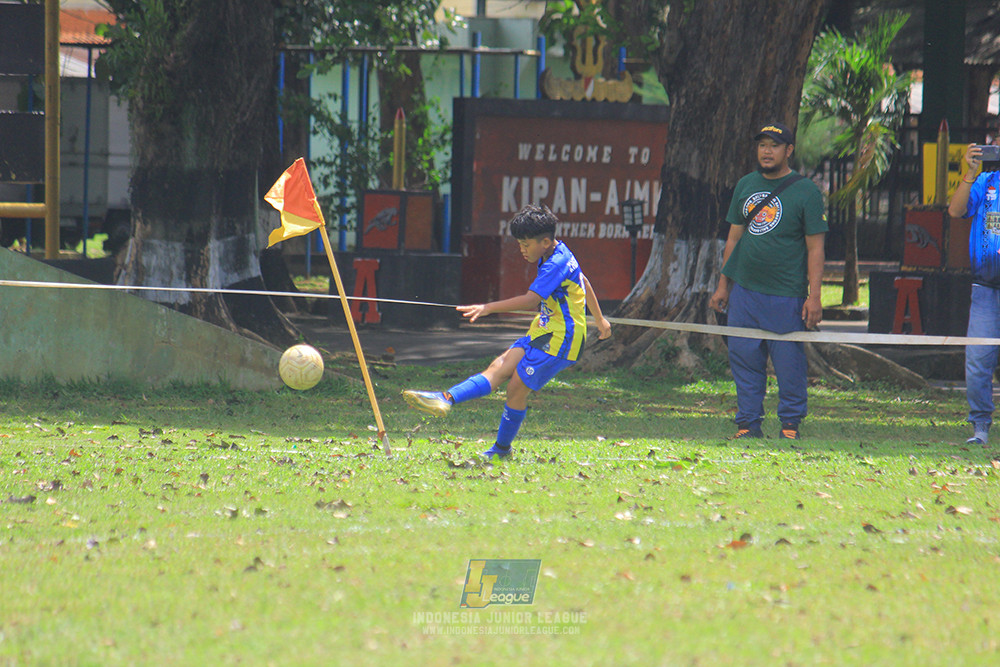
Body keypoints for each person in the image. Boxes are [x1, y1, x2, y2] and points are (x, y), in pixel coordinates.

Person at [402, 204, 612, 459]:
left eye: (526, 245)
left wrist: (488, 307)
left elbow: (530, 301)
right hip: (544, 331)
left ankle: (502, 450)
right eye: (520, 244)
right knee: (499, 366)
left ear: (545, 241)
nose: (522, 250)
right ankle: (446, 398)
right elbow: (584, 281)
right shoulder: (558, 250)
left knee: (515, 388)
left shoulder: (554, 264)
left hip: (562, 340)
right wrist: (600, 320)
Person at [708, 121, 827, 440]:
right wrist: (723, 285)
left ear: (789, 151)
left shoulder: (806, 191)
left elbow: (815, 248)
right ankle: (748, 424)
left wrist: (814, 297)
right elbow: (733, 239)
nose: (767, 151)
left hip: (785, 293)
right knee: (744, 357)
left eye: (774, 145)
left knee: (788, 363)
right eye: (762, 145)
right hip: (744, 291)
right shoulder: (746, 184)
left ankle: (790, 424)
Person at [948, 122, 1000, 445]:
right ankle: (980, 427)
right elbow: (955, 210)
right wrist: (969, 172)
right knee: (979, 361)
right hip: (985, 289)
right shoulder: (984, 181)